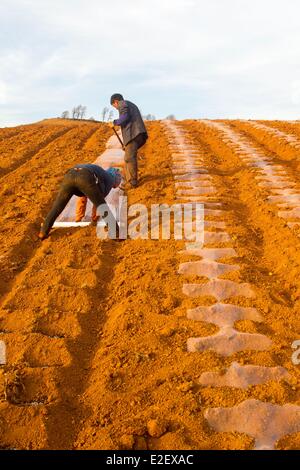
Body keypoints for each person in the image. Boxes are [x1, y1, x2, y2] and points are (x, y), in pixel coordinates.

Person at [38, 165, 122, 240]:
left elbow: (83, 196)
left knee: (57, 206)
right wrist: (94, 221)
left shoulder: (101, 173)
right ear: (116, 181)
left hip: (70, 174)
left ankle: (43, 231)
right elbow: (98, 203)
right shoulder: (110, 180)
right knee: (102, 206)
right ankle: (116, 232)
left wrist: (79, 217)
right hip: (85, 176)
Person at [109, 94, 148, 189]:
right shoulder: (130, 104)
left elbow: (125, 117)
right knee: (128, 157)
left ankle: (132, 182)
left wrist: (115, 122)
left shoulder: (122, 104)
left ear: (115, 102)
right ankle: (129, 180)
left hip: (133, 134)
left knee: (129, 158)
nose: (116, 108)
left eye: (114, 106)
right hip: (136, 134)